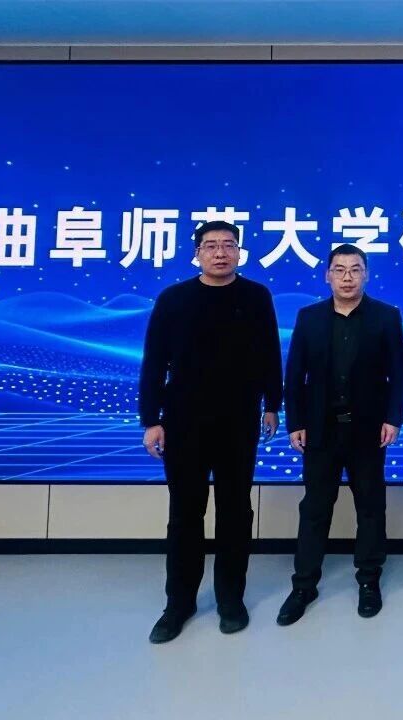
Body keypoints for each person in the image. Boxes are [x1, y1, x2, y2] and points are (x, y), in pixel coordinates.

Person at [139, 220, 282, 643]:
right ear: (197, 254)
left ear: (239, 252)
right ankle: (178, 604)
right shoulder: (174, 299)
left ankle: (230, 599)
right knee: (185, 513)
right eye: (211, 246)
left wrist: (272, 404)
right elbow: (154, 361)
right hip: (184, 421)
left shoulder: (256, 296)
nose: (220, 252)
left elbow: (270, 354)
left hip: (239, 421)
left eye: (228, 245)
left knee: (235, 511)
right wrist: (151, 420)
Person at [275, 243, 403, 626]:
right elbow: (294, 375)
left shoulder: (386, 316)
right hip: (320, 429)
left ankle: (369, 580)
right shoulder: (309, 317)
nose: (347, 277)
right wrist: (295, 422)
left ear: (366, 274)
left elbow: (397, 375)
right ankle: (304, 585)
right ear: (327, 276)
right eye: (340, 269)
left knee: (371, 507)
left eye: (355, 269)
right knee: (315, 508)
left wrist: (393, 419)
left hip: (368, 430)